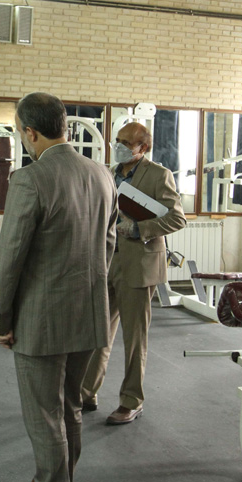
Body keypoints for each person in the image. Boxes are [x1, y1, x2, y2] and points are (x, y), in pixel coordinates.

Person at [0, 92, 118, 482]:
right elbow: (108, 244)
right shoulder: (102, 174)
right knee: (70, 407)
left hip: (41, 320)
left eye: (20, 132)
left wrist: (0, 320)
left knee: (44, 416)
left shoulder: (29, 178)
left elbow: (10, 257)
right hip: (87, 313)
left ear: (30, 132)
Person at [80, 121, 186, 424]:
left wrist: (139, 228)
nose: (120, 146)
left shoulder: (158, 175)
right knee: (97, 332)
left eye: (127, 143)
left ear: (144, 147)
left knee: (134, 339)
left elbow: (177, 218)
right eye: (118, 140)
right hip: (105, 262)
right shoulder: (108, 172)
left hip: (138, 265)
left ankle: (131, 401)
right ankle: (86, 392)